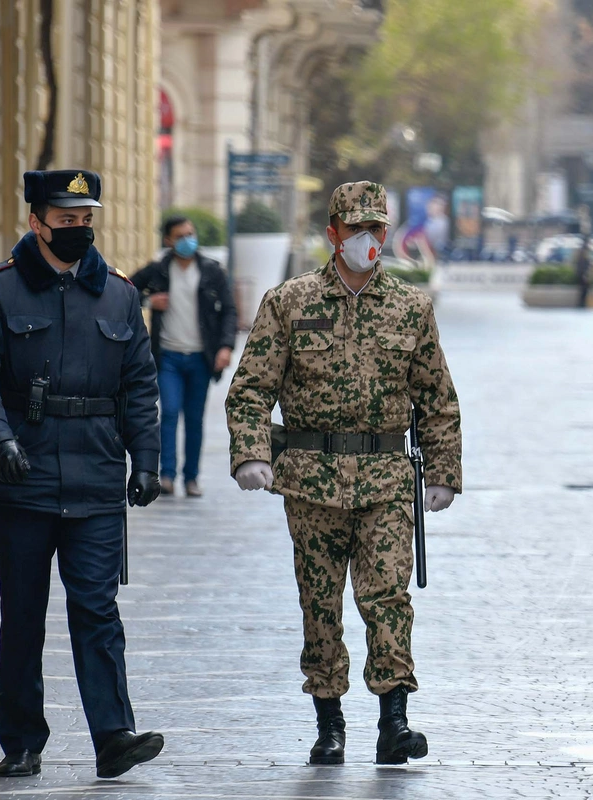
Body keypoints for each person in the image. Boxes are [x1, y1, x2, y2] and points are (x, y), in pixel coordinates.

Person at [225, 181, 463, 766]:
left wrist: (443, 471)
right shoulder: (290, 302)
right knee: (320, 602)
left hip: (385, 477)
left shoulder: (410, 307)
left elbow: (437, 398)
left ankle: (394, 722)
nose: (367, 239)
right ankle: (329, 722)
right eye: (355, 229)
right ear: (332, 233)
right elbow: (251, 388)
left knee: (387, 597)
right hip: (311, 479)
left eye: (376, 229)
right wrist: (250, 452)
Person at [0, 169, 165, 780]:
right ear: (36, 221)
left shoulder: (121, 294)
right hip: (22, 478)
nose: (77, 229)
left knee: (98, 609)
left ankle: (113, 736)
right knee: (23, 612)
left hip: (97, 476)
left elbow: (139, 386)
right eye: (65, 219)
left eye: (85, 219)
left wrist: (146, 460)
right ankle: (21, 739)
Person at [130, 216, 238, 497]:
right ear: (168, 240)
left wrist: (225, 347)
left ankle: (191, 478)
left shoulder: (212, 271)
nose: (188, 240)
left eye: (191, 233)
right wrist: (148, 301)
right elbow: (125, 290)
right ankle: (166, 475)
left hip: (201, 358)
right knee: (167, 413)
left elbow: (229, 310)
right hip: (168, 357)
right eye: (180, 236)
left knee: (194, 418)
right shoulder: (158, 271)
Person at [575, 242, 593, 308]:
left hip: (584, 276)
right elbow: (581, 268)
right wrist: (584, 275)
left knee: (585, 290)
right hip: (582, 276)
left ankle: (583, 303)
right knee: (583, 290)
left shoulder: (585, 259)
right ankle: (581, 303)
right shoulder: (582, 259)